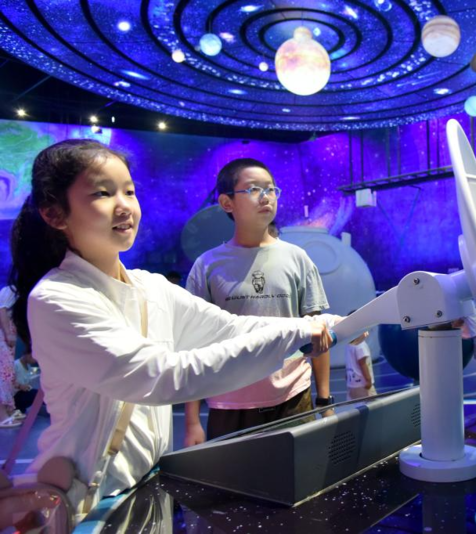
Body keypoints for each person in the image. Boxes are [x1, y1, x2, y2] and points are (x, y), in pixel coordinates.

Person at [9, 139, 336, 509]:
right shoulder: (57, 298)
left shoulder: (151, 287)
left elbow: (229, 328)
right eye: (103, 193)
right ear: (55, 214)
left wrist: (336, 324)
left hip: (148, 485)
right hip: (92, 500)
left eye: (129, 191)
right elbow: (162, 375)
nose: (124, 206)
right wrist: (299, 332)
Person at [183, 158, 332, 446]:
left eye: (271, 189)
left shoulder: (297, 258)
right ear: (227, 203)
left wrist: (324, 400)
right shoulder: (207, 266)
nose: (266, 197)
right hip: (229, 404)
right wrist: (192, 422)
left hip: (294, 399)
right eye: (253, 189)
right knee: (232, 476)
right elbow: (193, 344)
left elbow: (318, 332)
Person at [0, 286, 21, 428]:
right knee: (3, 374)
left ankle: (7, 411)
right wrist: (8, 333)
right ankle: (2, 416)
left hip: (6, 337)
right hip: (2, 337)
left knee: (7, 374)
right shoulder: (11, 290)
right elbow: (2, 308)